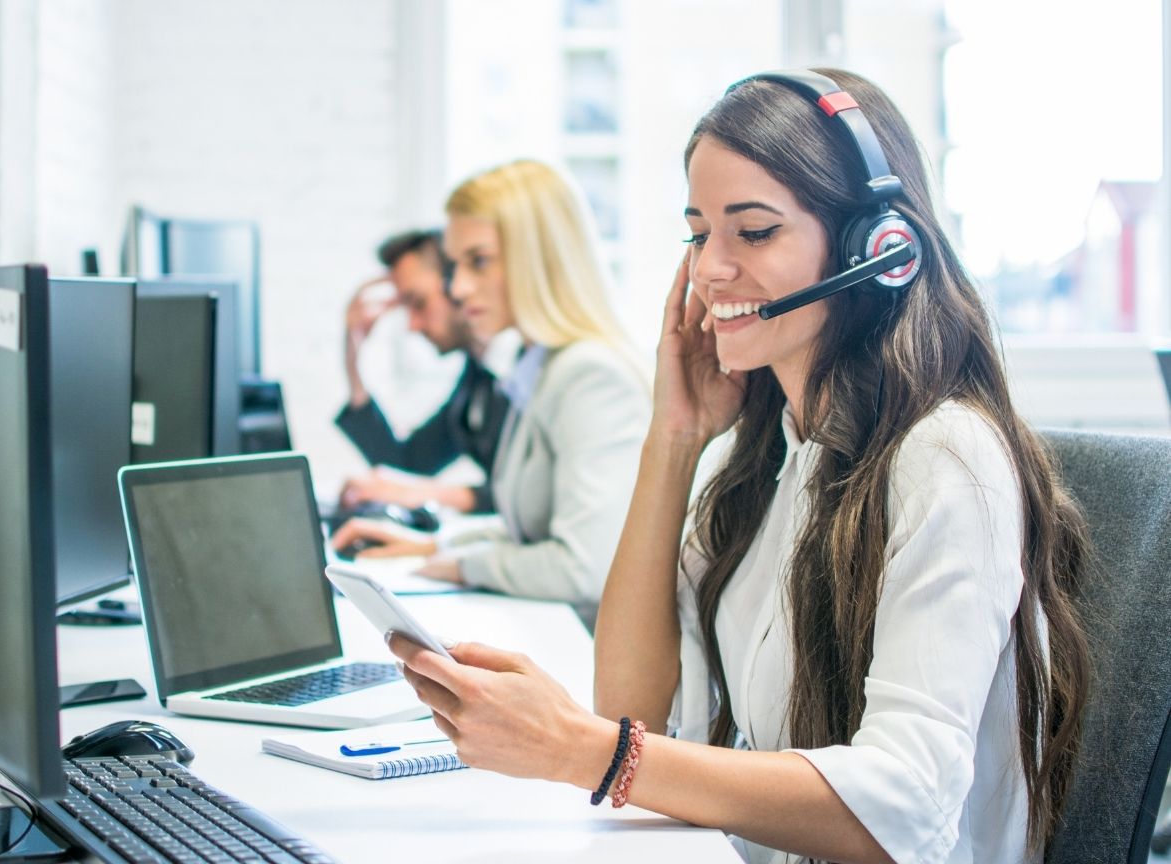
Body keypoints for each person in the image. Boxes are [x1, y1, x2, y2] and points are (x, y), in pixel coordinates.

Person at [382, 69, 1092, 864]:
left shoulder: (944, 460)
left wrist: (582, 750)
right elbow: (633, 710)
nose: (710, 269)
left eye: (752, 232)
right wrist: (673, 441)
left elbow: (905, 806)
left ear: (878, 250)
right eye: (697, 233)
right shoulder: (769, 457)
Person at [331, 160, 651, 615]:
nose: (458, 288)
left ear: (538, 258)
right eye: (457, 265)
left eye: (477, 262)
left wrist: (454, 564)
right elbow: (525, 531)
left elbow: (583, 568)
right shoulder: (536, 365)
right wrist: (432, 547)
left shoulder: (589, 375)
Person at [335, 229, 512, 514]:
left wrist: (431, 493)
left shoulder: (525, 370)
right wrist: (353, 364)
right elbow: (406, 466)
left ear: (457, 287)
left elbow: (535, 501)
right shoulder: (477, 380)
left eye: (418, 303)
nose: (413, 325)